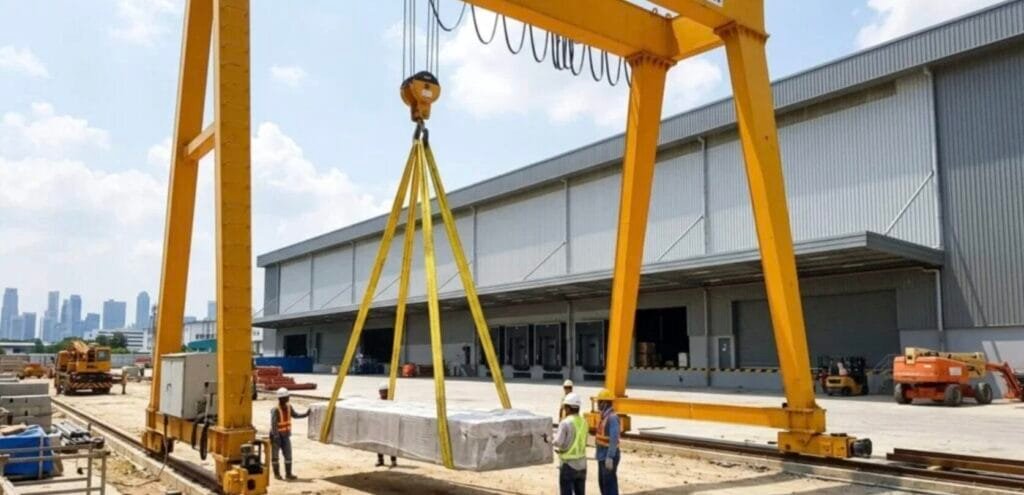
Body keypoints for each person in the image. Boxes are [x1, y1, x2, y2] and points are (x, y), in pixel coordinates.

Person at [270, 387, 308, 481]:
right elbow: (274, 424)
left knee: (288, 455)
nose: (288, 398)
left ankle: (288, 474)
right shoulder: (275, 409)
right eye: (287, 397)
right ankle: (277, 474)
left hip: (286, 435)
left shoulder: (289, 407)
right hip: (277, 436)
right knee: (275, 456)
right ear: (281, 398)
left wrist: (306, 414)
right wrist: (276, 436)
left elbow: (295, 415)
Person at [553, 392, 587, 495]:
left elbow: (558, 442)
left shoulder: (565, 423)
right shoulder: (584, 422)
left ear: (568, 408)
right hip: (582, 465)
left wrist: (549, 439)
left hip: (568, 465)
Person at [594, 389, 620, 495]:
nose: (598, 404)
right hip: (602, 454)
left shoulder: (612, 417)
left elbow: (614, 439)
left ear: (605, 403)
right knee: (603, 483)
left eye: (599, 402)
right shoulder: (604, 416)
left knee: (609, 485)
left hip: (608, 454)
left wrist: (610, 456)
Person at [375, 381, 398, 468]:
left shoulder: (391, 401)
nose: (383, 393)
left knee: (391, 444)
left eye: (385, 391)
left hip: (389, 425)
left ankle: (393, 461)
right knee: (379, 444)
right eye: (382, 391)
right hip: (380, 426)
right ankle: (380, 460)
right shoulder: (377, 402)